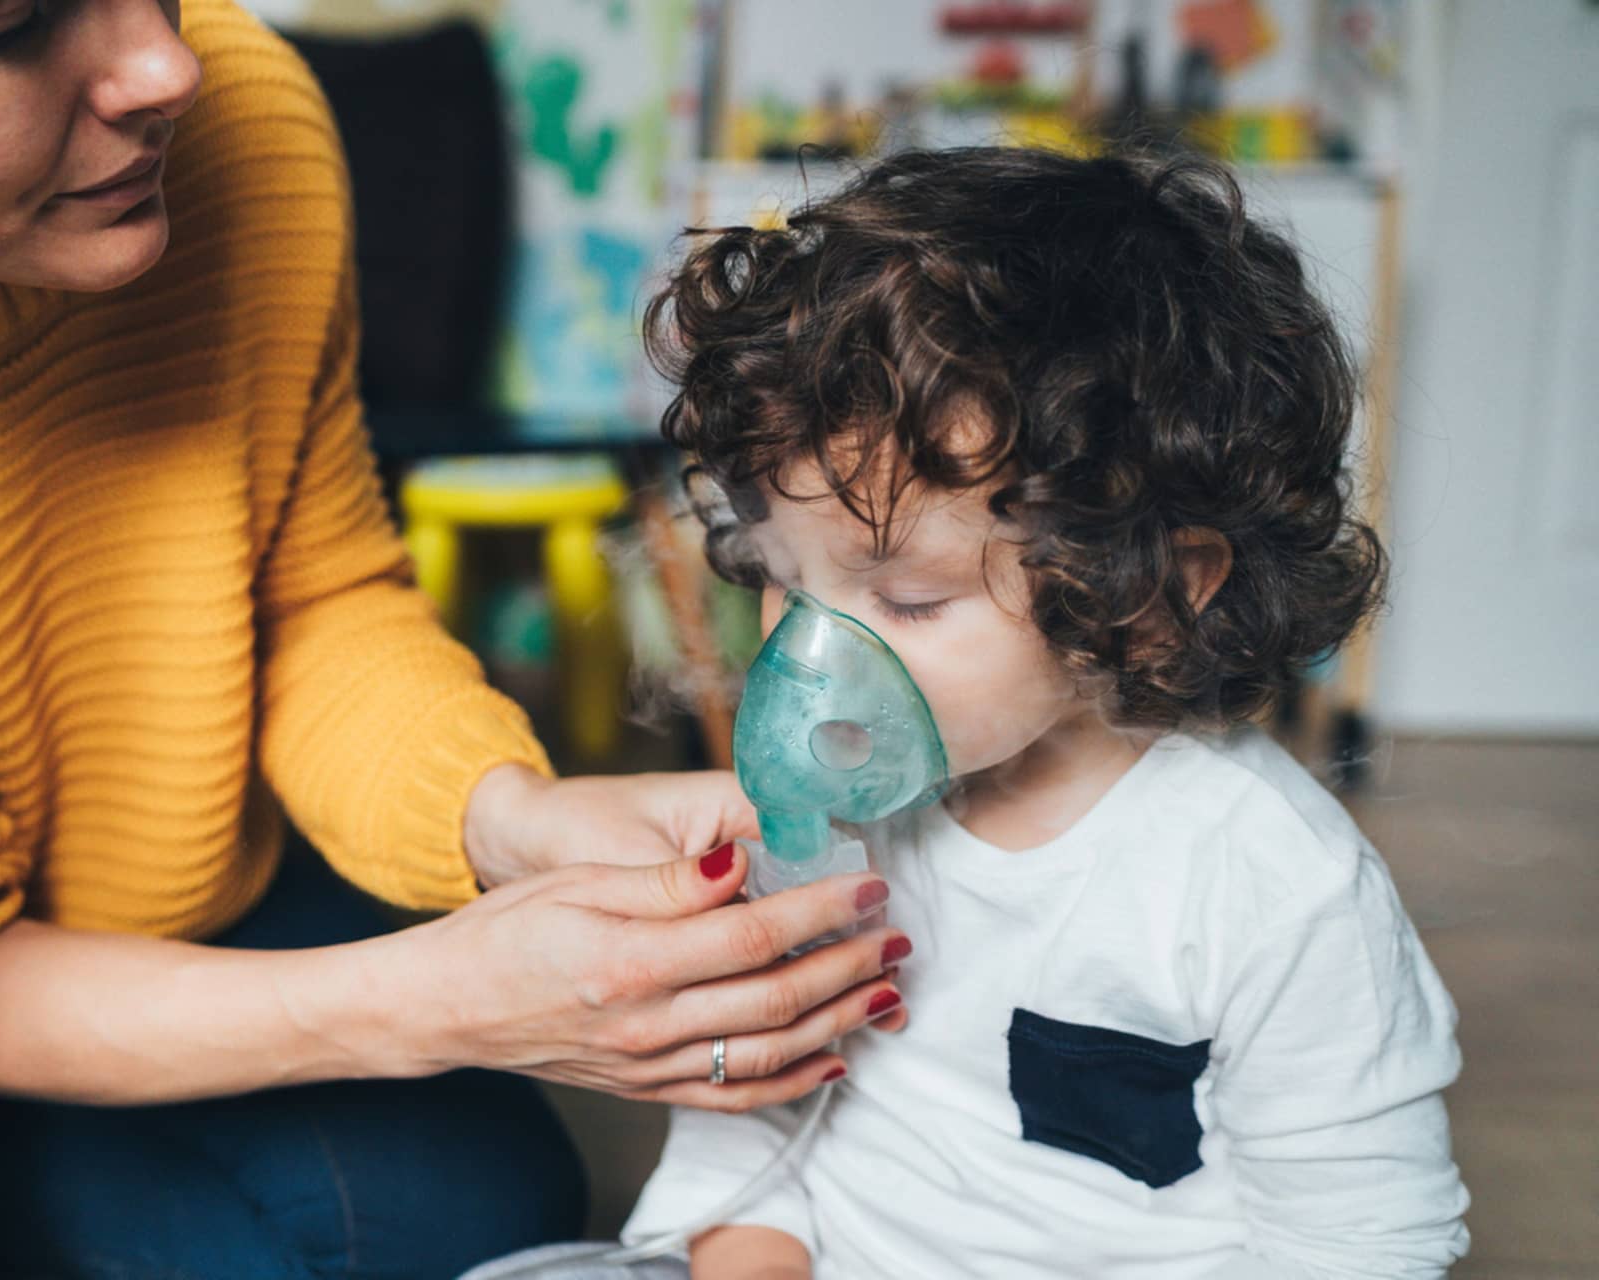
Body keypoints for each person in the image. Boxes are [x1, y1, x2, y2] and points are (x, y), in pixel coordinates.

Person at [0, 3, 915, 1276]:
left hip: (140, 865)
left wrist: (513, 819)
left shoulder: (244, 126)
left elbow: (311, 601)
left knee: (454, 1210)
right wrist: (433, 999)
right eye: (10, 26)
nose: (167, 68)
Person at [474, 147, 1470, 1279]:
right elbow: (746, 1130)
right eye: (783, 579)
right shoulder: (826, 819)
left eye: (906, 599)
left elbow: (1360, 1244)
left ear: (1146, 593)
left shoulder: (1272, 886)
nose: (810, 657)